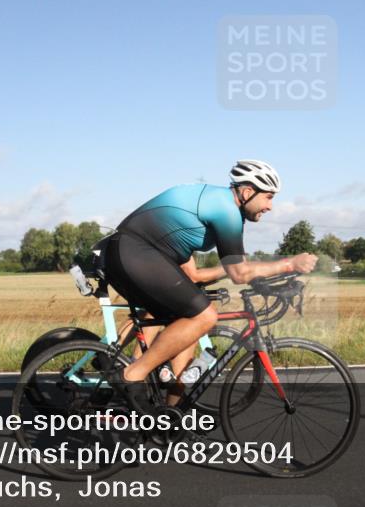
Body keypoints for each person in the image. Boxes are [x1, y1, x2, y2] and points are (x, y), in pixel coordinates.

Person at [103, 159, 317, 412]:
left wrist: (254, 274)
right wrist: (289, 264)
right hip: (134, 253)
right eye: (269, 197)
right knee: (205, 316)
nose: (270, 206)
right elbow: (240, 272)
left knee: (187, 324)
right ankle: (131, 376)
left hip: (137, 253)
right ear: (248, 192)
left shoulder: (212, 206)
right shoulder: (225, 209)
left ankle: (172, 413)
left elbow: (194, 274)